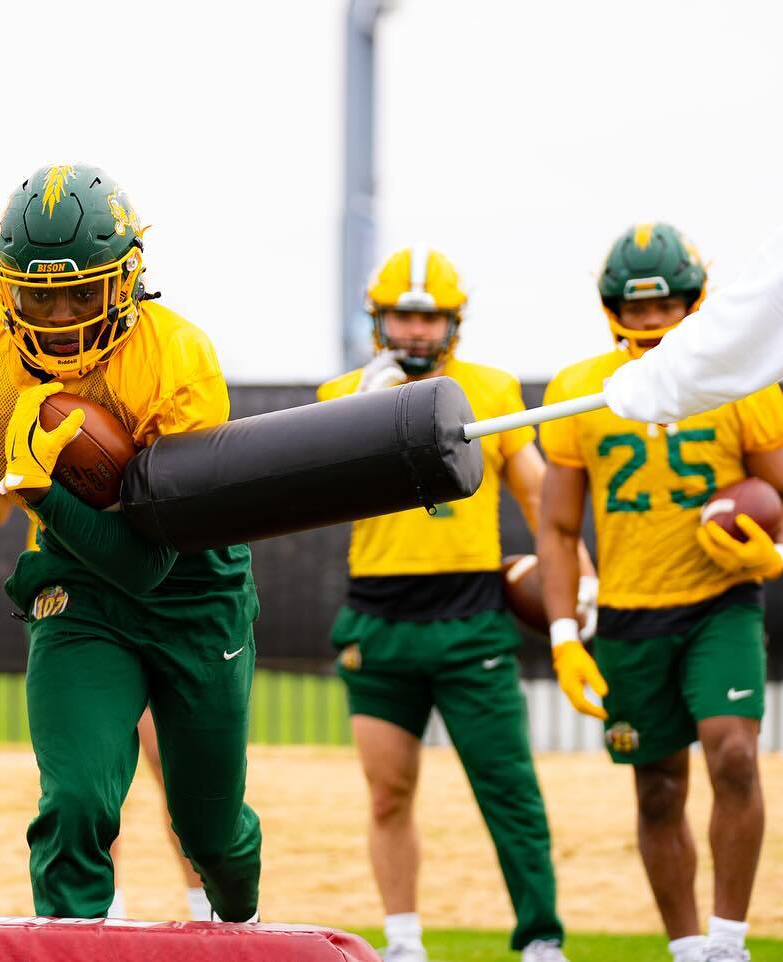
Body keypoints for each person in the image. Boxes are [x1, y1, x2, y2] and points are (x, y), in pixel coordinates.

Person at [0, 164, 261, 922]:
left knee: (210, 834)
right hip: (78, 592)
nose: (60, 318)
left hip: (193, 587)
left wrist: (44, 492)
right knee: (75, 802)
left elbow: (148, 564)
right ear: (6, 287)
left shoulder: (176, 360)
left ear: (127, 281)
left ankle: (240, 925)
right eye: (39, 297)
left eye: (81, 293)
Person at [318, 246, 586, 962]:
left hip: (472, 617)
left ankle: (541, 937)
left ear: (453, 321)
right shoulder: (342, 393)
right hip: (379, 617)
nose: (416, 331)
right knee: (387, 793)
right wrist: (361, 410)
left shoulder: (491, 389)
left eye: (429, 317)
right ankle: (404, 941)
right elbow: (317, 489)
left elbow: (539, 495)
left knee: (509, 790)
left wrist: (580, 582)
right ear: (380, 319)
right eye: (404, 317)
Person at [538, 223, 783, 962]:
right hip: (630, 614)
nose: (652, 319)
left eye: (666, 304)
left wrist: (772, 550)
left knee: (733, 754)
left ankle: (729, 944)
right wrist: (563, 637)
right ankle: (686, 948)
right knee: (658, 791)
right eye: (638, 306)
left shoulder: (743, 385)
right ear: (612, 307)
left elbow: (779, 492)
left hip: (719, 602)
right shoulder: (580, 391)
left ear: (695, 301)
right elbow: (557, 527)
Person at [0, 481, 213, 921]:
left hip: (150, 583)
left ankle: (208, 913)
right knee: (91, 776)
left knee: (174, 767)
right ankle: (103, 919)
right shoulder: (15, 431)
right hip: (70, 597)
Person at [604, 223, 783, 423]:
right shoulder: (578, 385)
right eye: (636, 310)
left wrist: (655, 388)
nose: (652, 321)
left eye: (666, 307)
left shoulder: (757, 390)